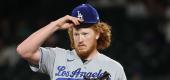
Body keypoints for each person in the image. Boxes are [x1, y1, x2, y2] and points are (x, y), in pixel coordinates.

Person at [16, 3, 127, 80]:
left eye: (85, 34)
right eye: (76, 34)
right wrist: (55, 25)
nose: (80, 39)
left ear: (97, 34)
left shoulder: (114, 68)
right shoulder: (57, 57)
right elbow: (24, 50)